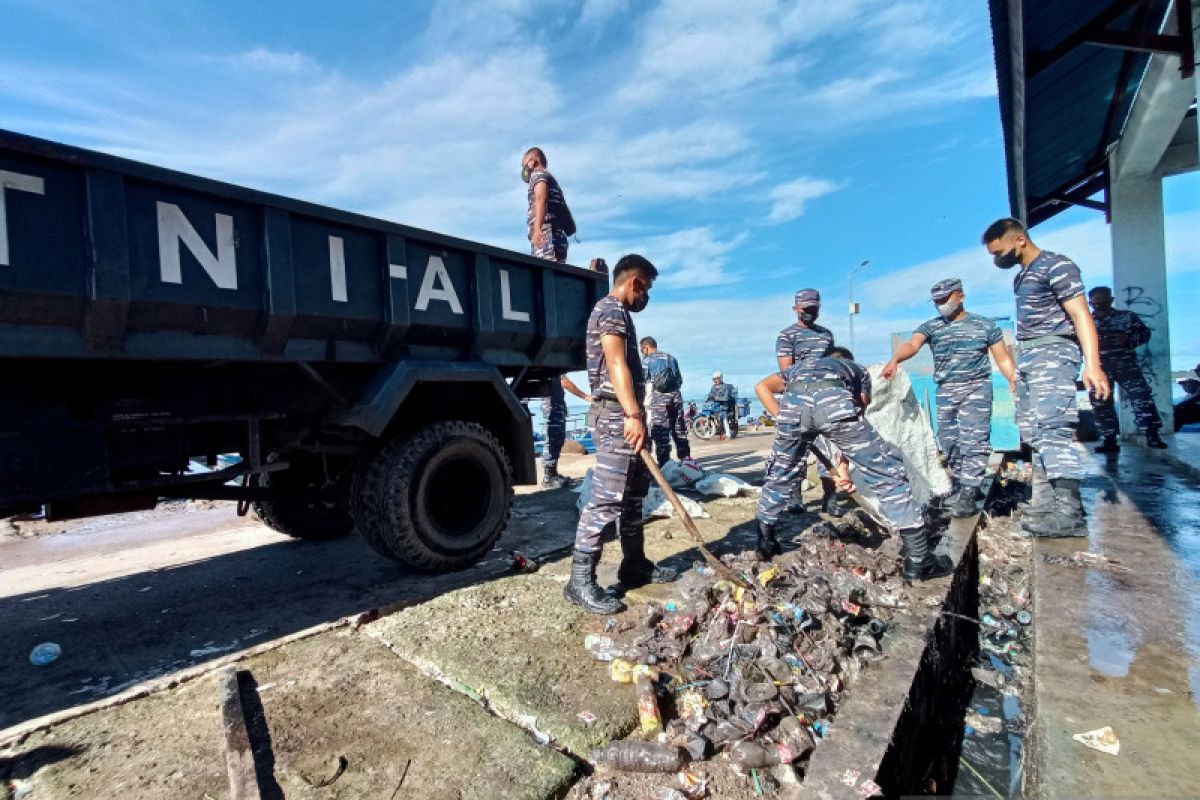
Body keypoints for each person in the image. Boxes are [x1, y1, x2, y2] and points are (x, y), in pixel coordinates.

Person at [754, 346, 953, 580]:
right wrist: (845, 462)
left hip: (792, 410)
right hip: (835, 408)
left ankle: (765, 544)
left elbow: (761, 387)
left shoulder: (799, 368)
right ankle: (920, 560)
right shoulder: (856, 370)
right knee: (886, 472)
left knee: (780, 474)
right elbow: (858, 414)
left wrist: (787, 421)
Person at [981, 218, 1110, 538]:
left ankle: (1070, 513)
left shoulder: (1057, 265)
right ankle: (1045, 502)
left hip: (1054, 354)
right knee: (1035, 432)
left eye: (1000, 251)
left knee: (1053, 428)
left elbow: (1082, 314)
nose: (998, 259)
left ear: (1020, 240)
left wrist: (1092, 364)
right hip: (1030, 359)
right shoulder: (1022, 277)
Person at [565, 255, 675, 614]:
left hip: (627, 415)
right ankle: (579, 582)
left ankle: (634, 565)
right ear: (636, 283)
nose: (647, 297)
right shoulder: (610, 309)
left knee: (632, 497)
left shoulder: (618, 313)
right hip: (616, 417)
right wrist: (632, 414)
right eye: (648, 289)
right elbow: (615, 364)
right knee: (606, 499)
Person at [883, 278, 1018, 518]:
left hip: (976, 387)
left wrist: (1012, 378)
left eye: (945, 299)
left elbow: (1002, 357)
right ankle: (962, 481)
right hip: (946, 389)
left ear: (960, 296)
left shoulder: (985, 326)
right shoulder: (932, 327)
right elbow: (913, 345)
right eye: (937, 301)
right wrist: (895, 360)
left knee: (974, 439)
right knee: (949, 442)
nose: (941, 305)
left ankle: (968, 490)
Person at [776, 288, 841, 516]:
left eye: (814, 309)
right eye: (806, 309)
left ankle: (830, 498)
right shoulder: (787, 336)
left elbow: (833, 363)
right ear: (796, 309)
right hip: (798, 399)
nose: (810, 313)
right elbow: (786, 371)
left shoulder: (826, 335)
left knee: (828, 448)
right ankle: (795, 497)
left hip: (825, 399)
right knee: (797, 449)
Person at [1087, 286, 1167, 451]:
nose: (1100, 305)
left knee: (1142, 398)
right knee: (1101, 404)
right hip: (1100, 369)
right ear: (1091, 303)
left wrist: (1129, 339)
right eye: (1097, 302)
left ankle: (1153, 435)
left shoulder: (1127, 317)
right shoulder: (1086, 322)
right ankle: (1109, 439)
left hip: (1126, 366)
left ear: (1111, 300)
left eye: (1104, 300)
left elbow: (1145, 333)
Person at [639, 337, 692, 466]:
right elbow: (679, 380)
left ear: (646, 348)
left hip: (660, 398)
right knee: (679, 429)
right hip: (676, 396)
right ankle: (686, 460)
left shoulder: (647, 361)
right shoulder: (671, 358)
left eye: (642, 349)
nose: (642, 352)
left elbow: (642, 381)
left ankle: (665, 463)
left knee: (660, 430)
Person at [541, 375, 595, 488]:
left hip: (555, 403)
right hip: (552, 404)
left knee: (558, 438)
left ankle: (553, 474)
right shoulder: (553, 370)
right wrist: (584, 396)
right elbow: (564, 381)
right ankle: (548, 477)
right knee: (553, 437)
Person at [522, 147, 573, 263]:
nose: (524, 170)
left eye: (524, 165)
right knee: (554, 274)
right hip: (556, 236)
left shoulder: (538, 174)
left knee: (546, 273)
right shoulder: (550, 178)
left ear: (533, 161)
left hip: (546, 235)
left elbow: (541, 198)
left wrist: (537, 229)